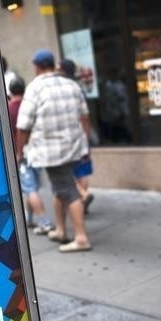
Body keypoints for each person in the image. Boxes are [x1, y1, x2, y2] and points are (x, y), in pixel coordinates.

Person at [15, 49, 92, 253]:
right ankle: (60, 230)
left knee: (68, 190)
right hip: (74, 147)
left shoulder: (35, 88)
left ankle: (81, 237)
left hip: (51, 150)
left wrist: (19, 151)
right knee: (60, 187)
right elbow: (85, 116)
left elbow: (23, 125)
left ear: (37, 67)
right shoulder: (71, 84)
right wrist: (85, 141)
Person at [7, 77, 54, 236]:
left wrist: (18, 154)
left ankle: (44, 222)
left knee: (30, 189)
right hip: (37, 152)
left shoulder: (10, 108)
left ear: (10, 91)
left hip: (23, 154)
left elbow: (15, 133)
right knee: (30, 187)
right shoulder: (29, 105)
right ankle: (28, 218)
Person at [58, 58, 95, 213]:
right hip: (81, 135)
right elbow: (85, 115)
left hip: (67, 136)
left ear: (62, 70)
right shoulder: (78, 88)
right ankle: (83, 198)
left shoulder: (61, 88)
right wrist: (86, 135)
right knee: (82, 170)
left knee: (66, 171)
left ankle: (82, 196)